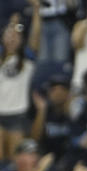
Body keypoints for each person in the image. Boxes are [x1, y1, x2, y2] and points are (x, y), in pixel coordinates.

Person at [0, 5, 41, 162]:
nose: (12, 38)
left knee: (14, 160)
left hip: (18, 115)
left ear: (22, 39)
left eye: (16, 36)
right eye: (9, 35)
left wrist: (37, 12)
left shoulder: (28, 60)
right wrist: (12, 23)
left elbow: (36, 38)